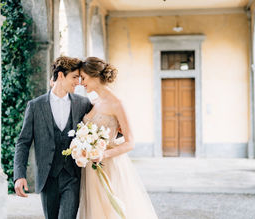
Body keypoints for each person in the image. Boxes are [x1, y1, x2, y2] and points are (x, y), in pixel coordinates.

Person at [78, 57, 158, 219]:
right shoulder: (93, 102)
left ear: (94, 76)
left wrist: (103, 154)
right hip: (91, 169)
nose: (81, 82)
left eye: (84, 78)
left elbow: (130, 142)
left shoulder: (117, 104)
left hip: (109, 164)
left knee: (112, 210)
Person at [13, 56, 92, 219]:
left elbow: (99, 126)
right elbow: (23, 142)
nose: (78, 82)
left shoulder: (83, 103)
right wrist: (19, 175)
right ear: (61, 76)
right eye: (74, 77)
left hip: (73, 177)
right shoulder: (35, 106)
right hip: (48, 178)